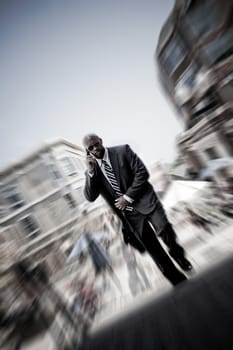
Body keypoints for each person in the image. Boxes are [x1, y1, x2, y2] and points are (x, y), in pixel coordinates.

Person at [83, 134, 192, 286]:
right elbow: (90, 196)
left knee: (164, 228)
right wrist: (90, 172)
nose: (95, 149)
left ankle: (177, 253)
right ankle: (175, 278)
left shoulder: (122, 151)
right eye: (90, 148)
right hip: (130, 214)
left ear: (101, 141)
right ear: (87, 152)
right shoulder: (93, 172)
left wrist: (127, 197)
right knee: (153, 247)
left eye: (96, 144)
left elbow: (142, 173)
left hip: (146, 200)